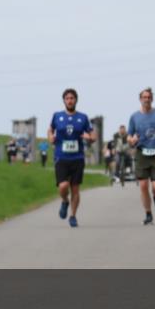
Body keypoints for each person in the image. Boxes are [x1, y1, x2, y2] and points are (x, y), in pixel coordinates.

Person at [47, 88, 96, 228]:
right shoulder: (57, 116)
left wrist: (89, 137)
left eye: (72, 98)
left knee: (75, 189)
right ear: (64, 100)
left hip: (77, 158)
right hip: (61, 157)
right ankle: (64, 201)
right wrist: (50, 137)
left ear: (76, 100)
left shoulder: (83, 117)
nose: (70, 100)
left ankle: (73, 216)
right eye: (67, 98)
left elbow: (93, 135)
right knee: (63, 186)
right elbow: (50, 129)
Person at [127, 87, 155, 225]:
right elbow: (129, 135)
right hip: (142, 153)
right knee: (144, 186)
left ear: (152, 99)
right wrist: (131, 140)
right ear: (140, 99)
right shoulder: (134, 117)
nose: (146, 99)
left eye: (148, 97)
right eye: (144, 97)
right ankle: (148, 213)